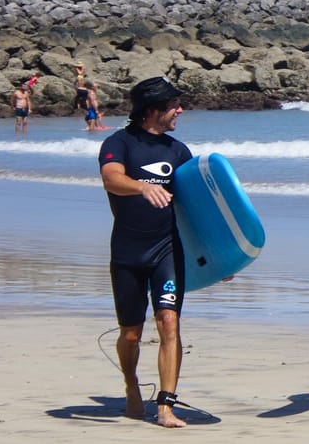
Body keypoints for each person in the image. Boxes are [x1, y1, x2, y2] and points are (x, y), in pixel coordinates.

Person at [99, 77, 192, 428]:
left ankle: (166, 404)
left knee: (169, 322)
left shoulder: (178, 151)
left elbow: (195, 206)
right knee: (131, 334)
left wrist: (218, 256)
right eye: (173, 105)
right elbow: (111, 179)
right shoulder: (118, 143)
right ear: (153, 109)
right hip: (127, 251)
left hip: (167, 249)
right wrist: (142, 187)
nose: (179, 110)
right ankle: (131, 384)